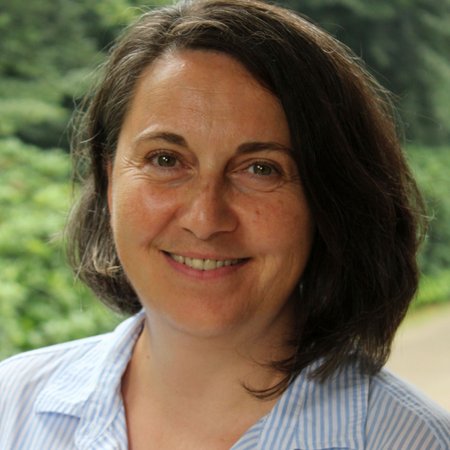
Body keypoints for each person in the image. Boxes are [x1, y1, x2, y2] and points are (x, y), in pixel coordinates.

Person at [1, 0, 449, 448]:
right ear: (108, 179)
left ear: (329, 200)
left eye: (261, 169)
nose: (205, 220)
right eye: (165, 159)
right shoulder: (11, 406)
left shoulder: (412, 441)